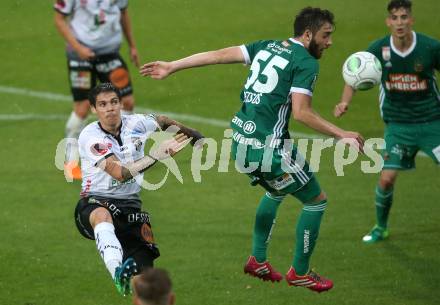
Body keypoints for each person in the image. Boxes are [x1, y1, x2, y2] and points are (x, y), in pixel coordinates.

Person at [140, 7, 364, 292]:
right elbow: (302, 113)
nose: (330, 42)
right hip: (270, 150)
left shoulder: (266, 46)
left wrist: (173, 65)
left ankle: (258, 259)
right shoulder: (306, 63)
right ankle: (301, 272)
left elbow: (219, 55)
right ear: (308, 35)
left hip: (240, 145)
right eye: (326, 35)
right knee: (316, 201)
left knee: (277, 189)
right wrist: (341, 133)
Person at [74, 83, 203, 296]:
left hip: (131, 208)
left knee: (148, 287)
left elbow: (161, 120)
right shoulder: (90, 136)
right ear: (94, 109)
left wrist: (192, 133)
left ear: (121, 104)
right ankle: (117, 272)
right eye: (103, 104)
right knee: (102, 215)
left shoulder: (137, 123)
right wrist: (156, 155)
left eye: (114, 102)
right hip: (94, 202)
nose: (110, 109)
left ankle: (133, 285)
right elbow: (120, 174)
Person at [334, 0, 440, 243]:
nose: (400, 22)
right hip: (398, 126)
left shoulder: (430, 47)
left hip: (433, 123)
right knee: (386, 178)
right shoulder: (378, 49)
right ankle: (380, 227)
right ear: (388, 21)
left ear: (411, 19)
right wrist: (344, 102)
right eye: (395, 17)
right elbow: (353, 76)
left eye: (404, 17)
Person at [54, 0, 140, 180]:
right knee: (83, 107)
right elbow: (59, 19)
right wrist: (78, 48)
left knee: (127, 101)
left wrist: (132, 46)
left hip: (110, 54)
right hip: (80, 55)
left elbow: (124, 14)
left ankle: (126, 154)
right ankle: (70, 161)